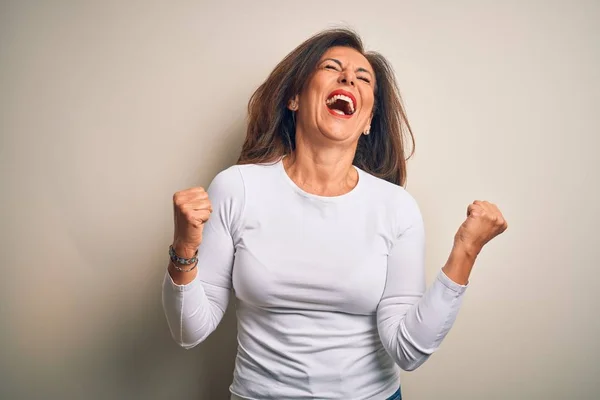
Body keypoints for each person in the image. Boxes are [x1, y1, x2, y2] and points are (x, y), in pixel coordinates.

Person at [162, 28, 507, 400]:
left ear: (369, 119)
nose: (348, 78)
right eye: (332, 67)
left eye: (363, 78)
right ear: (294, 98)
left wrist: (466, 250)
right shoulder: (237, 188)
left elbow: (407, 349)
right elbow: (189, 330)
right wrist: (185, 245)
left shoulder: (396, 207)